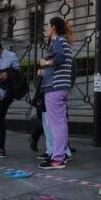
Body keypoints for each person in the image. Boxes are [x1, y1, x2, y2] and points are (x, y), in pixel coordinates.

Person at [38, 17, 74, 170]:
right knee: (61, 123)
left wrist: (45, 63)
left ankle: (58, 158)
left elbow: (59, 58)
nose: (46, 29)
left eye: (47, 26)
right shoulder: (63, 41)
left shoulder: (57, 41)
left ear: (53, 27)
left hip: (55, 87)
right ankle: (61, 154)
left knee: (56, 124)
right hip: (61, 87)